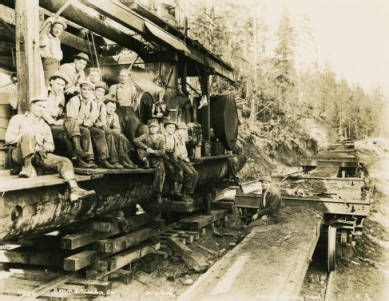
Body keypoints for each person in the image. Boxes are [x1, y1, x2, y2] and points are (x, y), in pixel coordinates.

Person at [5, 95, 95, 201]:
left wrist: (45, 147)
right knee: (28, 134)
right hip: (19, 154)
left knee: (64, 161)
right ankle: (27, 167)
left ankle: (74, 189)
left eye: (44, 107)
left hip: (38, 155)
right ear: (31, 106)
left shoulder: (45, 126)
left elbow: (51, 145)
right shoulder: (18, 119)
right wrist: (30, 138)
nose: (41, 109)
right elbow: (8, 138)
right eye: (39, 106)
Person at [66, 81, 115, 169]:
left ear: (92, 92)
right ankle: (86, 158)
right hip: (73, 126)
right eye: (84, 89)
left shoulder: (92, 103)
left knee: (99, 132)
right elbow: (72, 118)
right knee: (85, 131)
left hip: (83, 124)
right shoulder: (75, 100)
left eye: (89, 90)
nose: (86, 92)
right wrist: (85, 122)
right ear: (80, 90)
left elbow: (92, 119)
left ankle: (103, 159)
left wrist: (86, 122)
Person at [43, 71, 75, 160]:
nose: (60, 87)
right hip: (44, 121)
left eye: (62, 85)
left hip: (55, 121)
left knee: (71, 128)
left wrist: (61, 119)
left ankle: (72, 156)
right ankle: (73, 156)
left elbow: (60, 111)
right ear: (51, 82)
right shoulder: (44, 93)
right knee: (62, 131)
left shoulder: (61, 95)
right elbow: (41, 111)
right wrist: (53, 121)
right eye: (58, 84)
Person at [134, 119, 165, 202]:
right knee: (139, 149)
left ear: (157, 128)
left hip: (156, 159)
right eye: (151, 127)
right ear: (149, 128)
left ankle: (157, 193)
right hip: (147, 157)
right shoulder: (146, 136)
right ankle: (145, 162)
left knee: (160, 172)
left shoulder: (161, 137)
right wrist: (146, 147)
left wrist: (154, 152)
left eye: (154, 127)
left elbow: (162, 151)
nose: (153, 129)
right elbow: (136, 140)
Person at [104, 97, 138, 169]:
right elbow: (102, 126)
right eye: (109, 107)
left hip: (110, 132)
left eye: (113, 108)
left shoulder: (115, 115)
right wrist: (112, 131)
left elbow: (118, 129)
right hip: (102, 132)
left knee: (120, 136)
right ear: (105, 106)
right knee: (115, 136)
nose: (111, 109)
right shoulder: (102, 112)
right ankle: (117, 160)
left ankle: (124, 159)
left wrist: (113, 131)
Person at [108, 69, 139, 141]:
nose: (122, 78)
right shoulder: (114, 87)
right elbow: (109, 100)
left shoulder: (132, 88)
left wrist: (133, 110)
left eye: (124, 76)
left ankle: (130, 148)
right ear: (119, 77)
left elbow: (135, 101)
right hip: (118, 109)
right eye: (121, 76)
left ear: (128, 77)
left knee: (132, 128)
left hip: (130, 110)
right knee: (119, 130)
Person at [175, 122, 199, 200]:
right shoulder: (174, 138)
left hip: (184, 159)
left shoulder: (182, 138)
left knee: (195, 174)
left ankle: (189, 193)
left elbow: (184, 150)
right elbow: (175, 151)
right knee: (190, 173)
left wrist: (186, 157)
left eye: (184, 129)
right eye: (181, 129)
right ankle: (184, 193)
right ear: (177, 130)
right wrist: (182, 157)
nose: (183, 131)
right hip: (178, 159)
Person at [40, 18, 66, 85]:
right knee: (46, 85)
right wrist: (49, 21)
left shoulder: (57, 40)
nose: (58, 30)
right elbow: (41, 37)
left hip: (56, 66)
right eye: (56, 28)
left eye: (60, 29)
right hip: (47, 65)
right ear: (51, 28)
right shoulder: (46, 37)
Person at [163, 121, 185, 200]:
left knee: (179, 169)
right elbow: (162, 149)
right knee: (171, 169)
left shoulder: (174, 137)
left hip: (172, 155)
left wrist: (176, 157)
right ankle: (170, 190)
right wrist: (167, 158)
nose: (172, 129)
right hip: (164, 156)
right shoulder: (163, 136)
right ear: (165, 128)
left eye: (173, 127)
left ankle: (177, 190)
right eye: (170, 127)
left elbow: (175, 148)